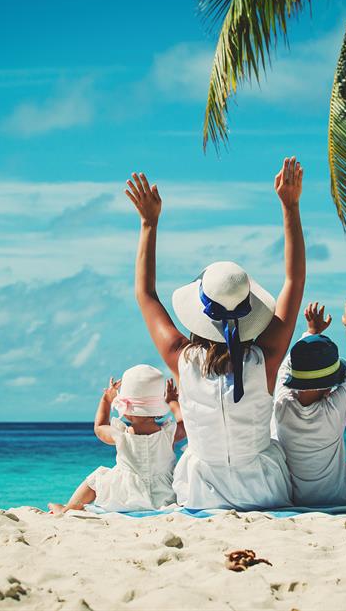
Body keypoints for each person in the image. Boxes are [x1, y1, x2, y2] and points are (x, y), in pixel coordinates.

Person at [124, 158, 307, 509]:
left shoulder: (182, 358)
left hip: (200, 492)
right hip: (264, 491)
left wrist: (149, 224)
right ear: (249, 310)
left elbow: (145, 294)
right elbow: (294, 281)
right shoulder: (264, 360)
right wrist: (291, 206)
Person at [272, 300, 346, 506]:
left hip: (296, 498)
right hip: (340, 496)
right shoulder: (333, 409)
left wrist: (311, 332)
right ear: (330, 385)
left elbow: (287, 367)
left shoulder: (282, 404)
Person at [47, 365, 185, 514]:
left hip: (125, 495)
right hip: (164, 495)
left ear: (126, 412)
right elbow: (184, 424)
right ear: (158, 409)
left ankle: (69, 508)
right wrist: (173, 402)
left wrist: (106, 400)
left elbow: (99, 427)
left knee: (97, 477)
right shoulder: (168, 434)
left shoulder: (120, 434)